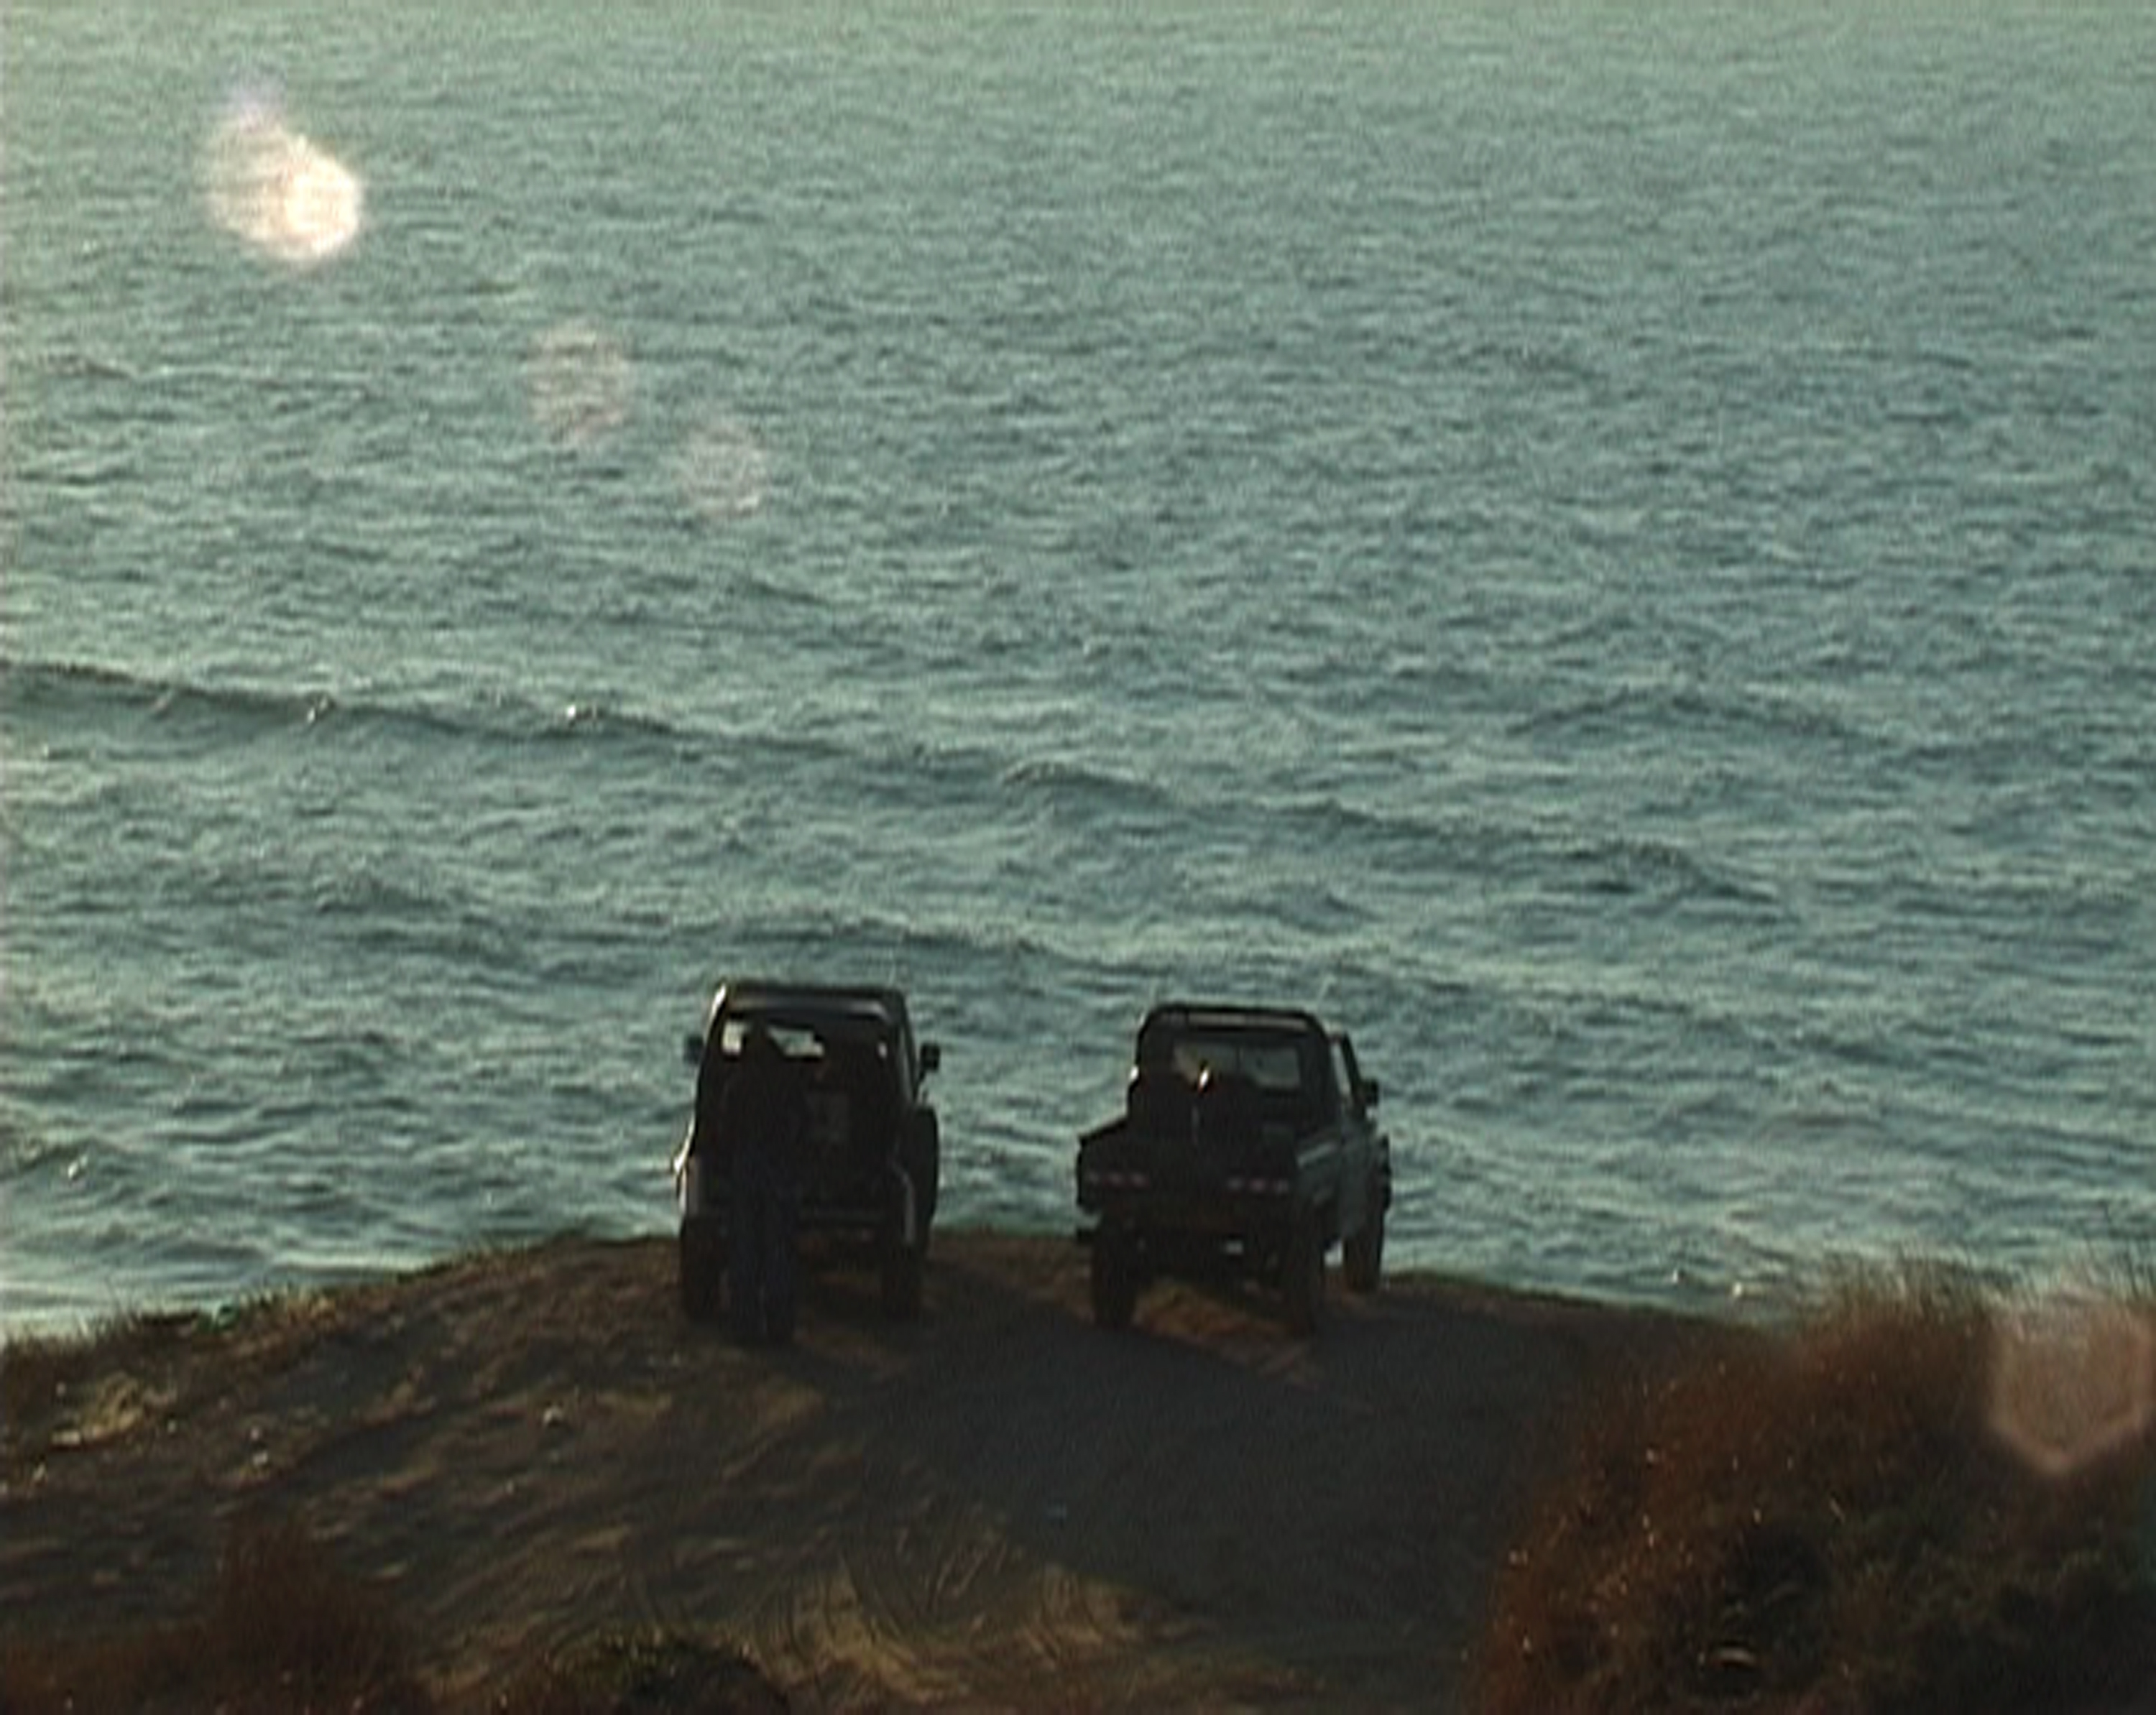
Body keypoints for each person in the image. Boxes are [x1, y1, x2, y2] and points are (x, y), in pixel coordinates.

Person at [718, 1023, 808, 1344]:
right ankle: (780, 1325)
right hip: (779, 1169)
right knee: (778, 1247)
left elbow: (725, 1130)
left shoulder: (739, 1085)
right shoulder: (787, 1083)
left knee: (745, 1246)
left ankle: (745, 1324)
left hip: (747, 1168)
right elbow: (803, 1125)